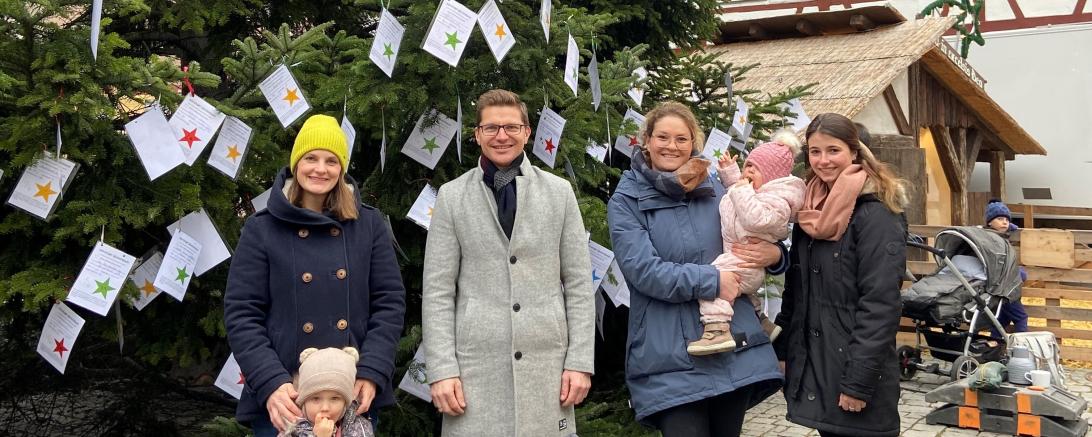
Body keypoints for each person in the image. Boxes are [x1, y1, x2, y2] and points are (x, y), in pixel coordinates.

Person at [422, 89, 595, 436]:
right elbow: (438, 291)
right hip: (474, 372)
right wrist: (441, 368)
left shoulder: (559, 193)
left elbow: (578, 284)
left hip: (547, 369)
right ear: (477, 135)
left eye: (511, 127)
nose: (502, 136)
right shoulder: (452, 197)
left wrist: (580, 362)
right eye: (491, 128)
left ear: (527, 132)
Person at [607, 101, 786, 437]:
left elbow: (755, 227)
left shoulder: (716, 188)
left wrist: (775, 254)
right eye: (662, 137)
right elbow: (643, 271)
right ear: (646, 140)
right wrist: (712, 280)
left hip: (732, 344)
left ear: (694, 144)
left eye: (681, 139)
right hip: (669, 353)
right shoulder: (627, 199)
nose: (671, 146)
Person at [224, 114, 406, 436]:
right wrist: (270, 382)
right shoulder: (261, 229)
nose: (320, 169)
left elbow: (389, 303)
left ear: (341, 169)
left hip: (349, 395)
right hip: (287, 398)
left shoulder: (369, 225)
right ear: (296, 163)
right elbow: (242, 314)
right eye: (311, 158)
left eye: (331, 161)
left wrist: (372, 370)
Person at [773, 113, 908, 437]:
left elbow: (880, 304)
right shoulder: (810, 209)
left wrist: (858, 382)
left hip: (857, 369)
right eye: (815, 152)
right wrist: (783, 353)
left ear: (853, 152)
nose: (823, 160)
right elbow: (796, 291)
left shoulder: (875, 213)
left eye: (833, 150)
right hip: (819, 367)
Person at [688, 132, 806, 356]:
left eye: (756, 169)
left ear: (772, 178)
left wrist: (742, 190)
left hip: (746, 261)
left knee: (712, 282)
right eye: (747, 165)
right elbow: (738, 196)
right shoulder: (751, 192)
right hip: (738, 256)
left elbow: (755, 217)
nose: (748, 171)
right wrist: (731, 175)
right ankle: (761, 322)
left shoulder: (777, 201)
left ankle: (716, 329)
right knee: (739, 291)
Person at [281, 347, 374, 437]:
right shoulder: (291, 431)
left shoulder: (360, 427)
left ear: (346, 403)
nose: (325, 408)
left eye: (335, 398)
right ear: (302, 402)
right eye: (316, 398)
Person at [984, 199, 1029, 336]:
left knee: (1001, 320)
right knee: (1021, 318)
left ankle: (994, 349)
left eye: (1007, 220)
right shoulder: (992, 240)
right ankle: (1022, 347)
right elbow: (1000, 264)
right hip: (1005, 288)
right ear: (989, 222)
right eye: (1000, 219)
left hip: (998, 288)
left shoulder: (994, 235)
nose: (1005, 222)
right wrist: (1020, 274)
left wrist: (1010, 226)